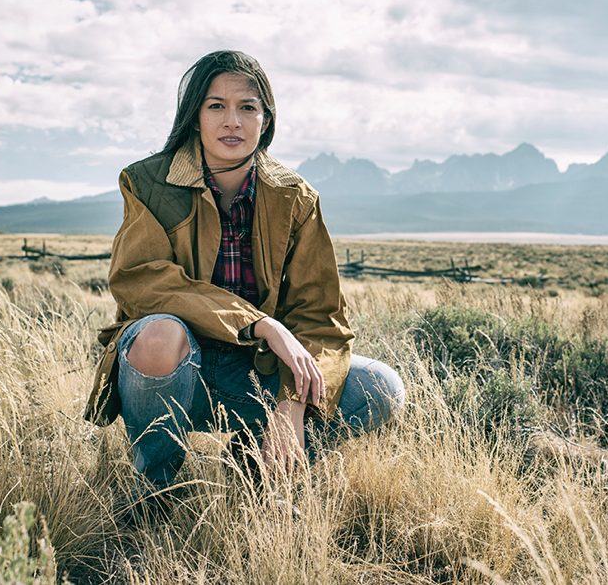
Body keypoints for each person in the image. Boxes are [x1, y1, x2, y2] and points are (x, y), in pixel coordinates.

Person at [83, 50, 404, 503]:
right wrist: (259, 323)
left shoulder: (295, 198)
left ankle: (256, 472)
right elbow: (142, 280)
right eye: (216, 106)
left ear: (265, 120)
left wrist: (292, 401)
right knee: (159, 333)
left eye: (247, 107)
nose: (232, 120)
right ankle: (154, 492)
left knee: (381, 386)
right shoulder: (148, 182)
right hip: (178, 369)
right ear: (194, 117)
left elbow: (321, 317)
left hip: (256, 374)